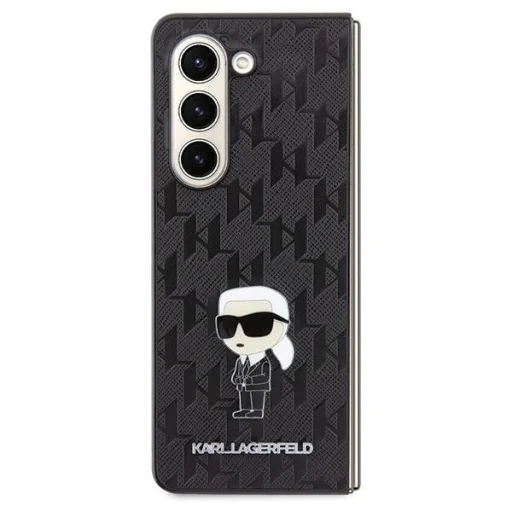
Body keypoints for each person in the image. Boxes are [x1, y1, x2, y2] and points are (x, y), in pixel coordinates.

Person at [216, 286, 294, 419]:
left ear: (282, 326)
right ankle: (245, 409)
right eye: (229, 324)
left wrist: (249, 379)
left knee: (256, 397)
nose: (240, 334)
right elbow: (237, 373)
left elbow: (264, 376)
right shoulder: (240, 361)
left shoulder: (262, 362)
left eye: (256, 325)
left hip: (257, 386)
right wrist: (237, 378)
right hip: (243, 386)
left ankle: (257, 410)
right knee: (244, 397)